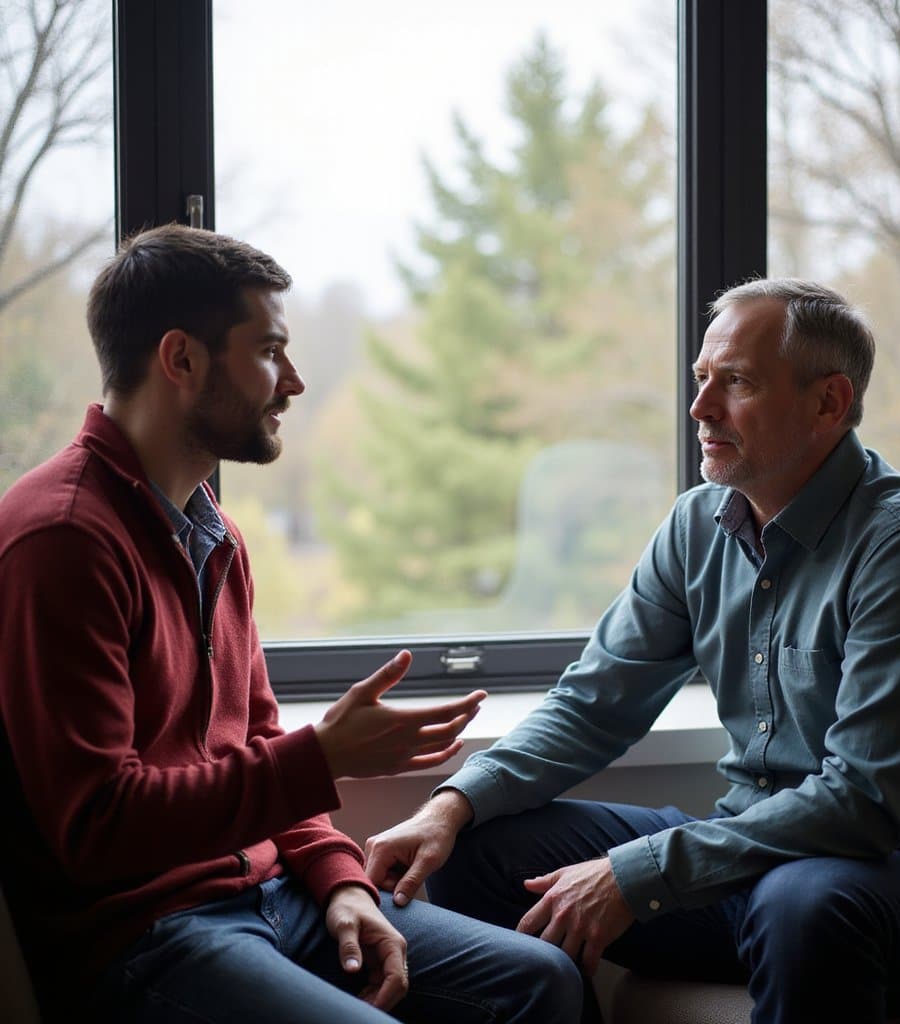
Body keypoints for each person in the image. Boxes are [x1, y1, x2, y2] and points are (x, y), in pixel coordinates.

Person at [364, 278, 900, 1024]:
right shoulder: (697, 525)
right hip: (760, 865)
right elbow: (592, 705)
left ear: (829, 404)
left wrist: (637, 873)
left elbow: (862, 807)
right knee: (482, 852)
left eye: (736, 382)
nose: (700, 409)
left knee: (802, 903)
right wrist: (451, 805)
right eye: (701, 379)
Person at [0, 223, 582, 1024]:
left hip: (272, 894)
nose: (294, 381)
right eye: (270, 350)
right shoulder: (62, 539)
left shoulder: (215, 534)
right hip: (147, 934)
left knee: (542, 978)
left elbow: (258, 744)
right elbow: (96, 826)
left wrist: (339, 880)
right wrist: (319, 759)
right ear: (182, 360)